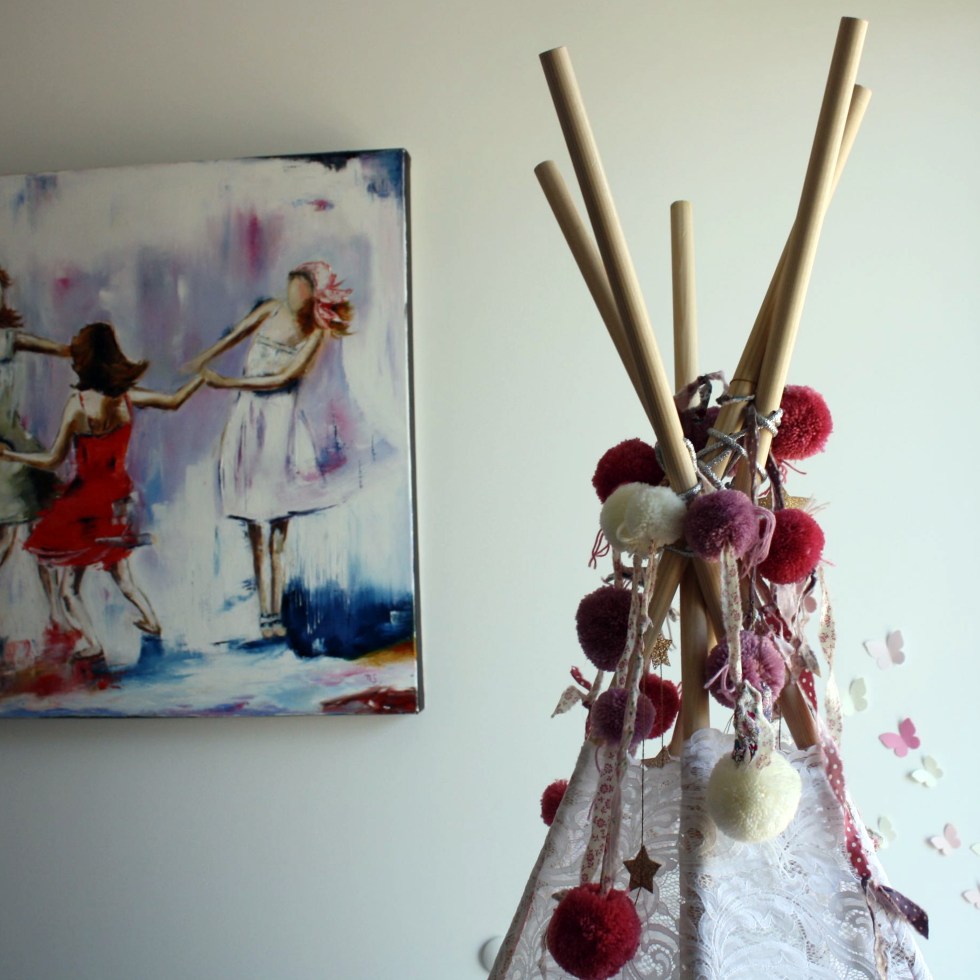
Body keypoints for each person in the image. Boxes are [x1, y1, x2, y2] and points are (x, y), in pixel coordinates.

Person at [0, 322, 204, 659]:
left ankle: (93, 644)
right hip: (117, 500)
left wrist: (12, 456)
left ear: (84, 361)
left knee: (68, 588)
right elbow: (174, 401)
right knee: (121, 574)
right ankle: (153, 621)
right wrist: (202, 378)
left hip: (84, 503)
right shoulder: (126, 399)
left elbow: (52, 460)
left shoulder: (78, 404)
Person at [188, 261, 353, 640]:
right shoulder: (269, 310)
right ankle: (264, 611)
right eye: (292, 285)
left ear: (314, 295)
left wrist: (227, 382)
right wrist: (201, 361)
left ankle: (273, 614)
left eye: (302, 288)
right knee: (254, 527)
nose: (294, 293)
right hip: (249, 421)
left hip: (280, 424)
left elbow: (283, 378)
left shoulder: (315, 332)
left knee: (278, 530)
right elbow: (232, 338)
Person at [0, 267, 69, 621]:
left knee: (42, 524)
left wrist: (73, 350)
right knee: (7, 536)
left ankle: (56, 613)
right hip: (5, 445)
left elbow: (49, 347)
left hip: (13, 439)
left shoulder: (8, 338)